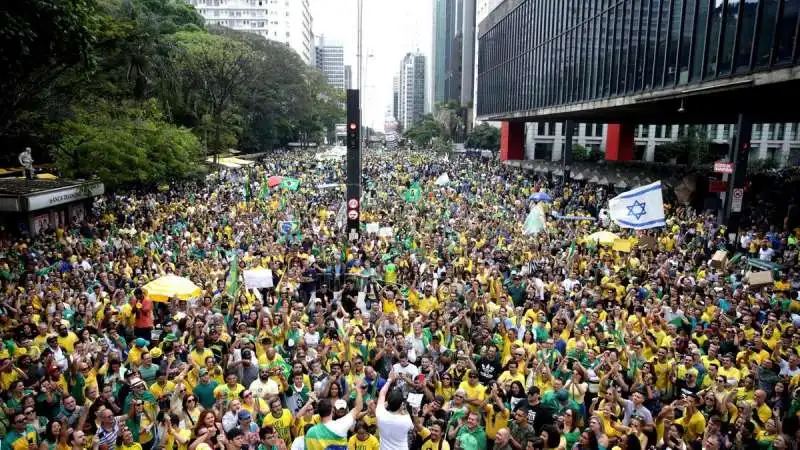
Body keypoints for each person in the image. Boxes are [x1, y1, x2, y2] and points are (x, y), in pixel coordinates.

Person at [304, 380, 364, 450]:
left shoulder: (310, 432)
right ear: (332, 411)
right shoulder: (340, 425)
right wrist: (358, 390)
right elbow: (359, 408)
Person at [375, 370, 413, 450]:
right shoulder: (406, 419)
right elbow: (411, 427)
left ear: (387, 402)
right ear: (401, 404)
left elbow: (382, 394)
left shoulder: (380, 414)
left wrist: (389, 380)